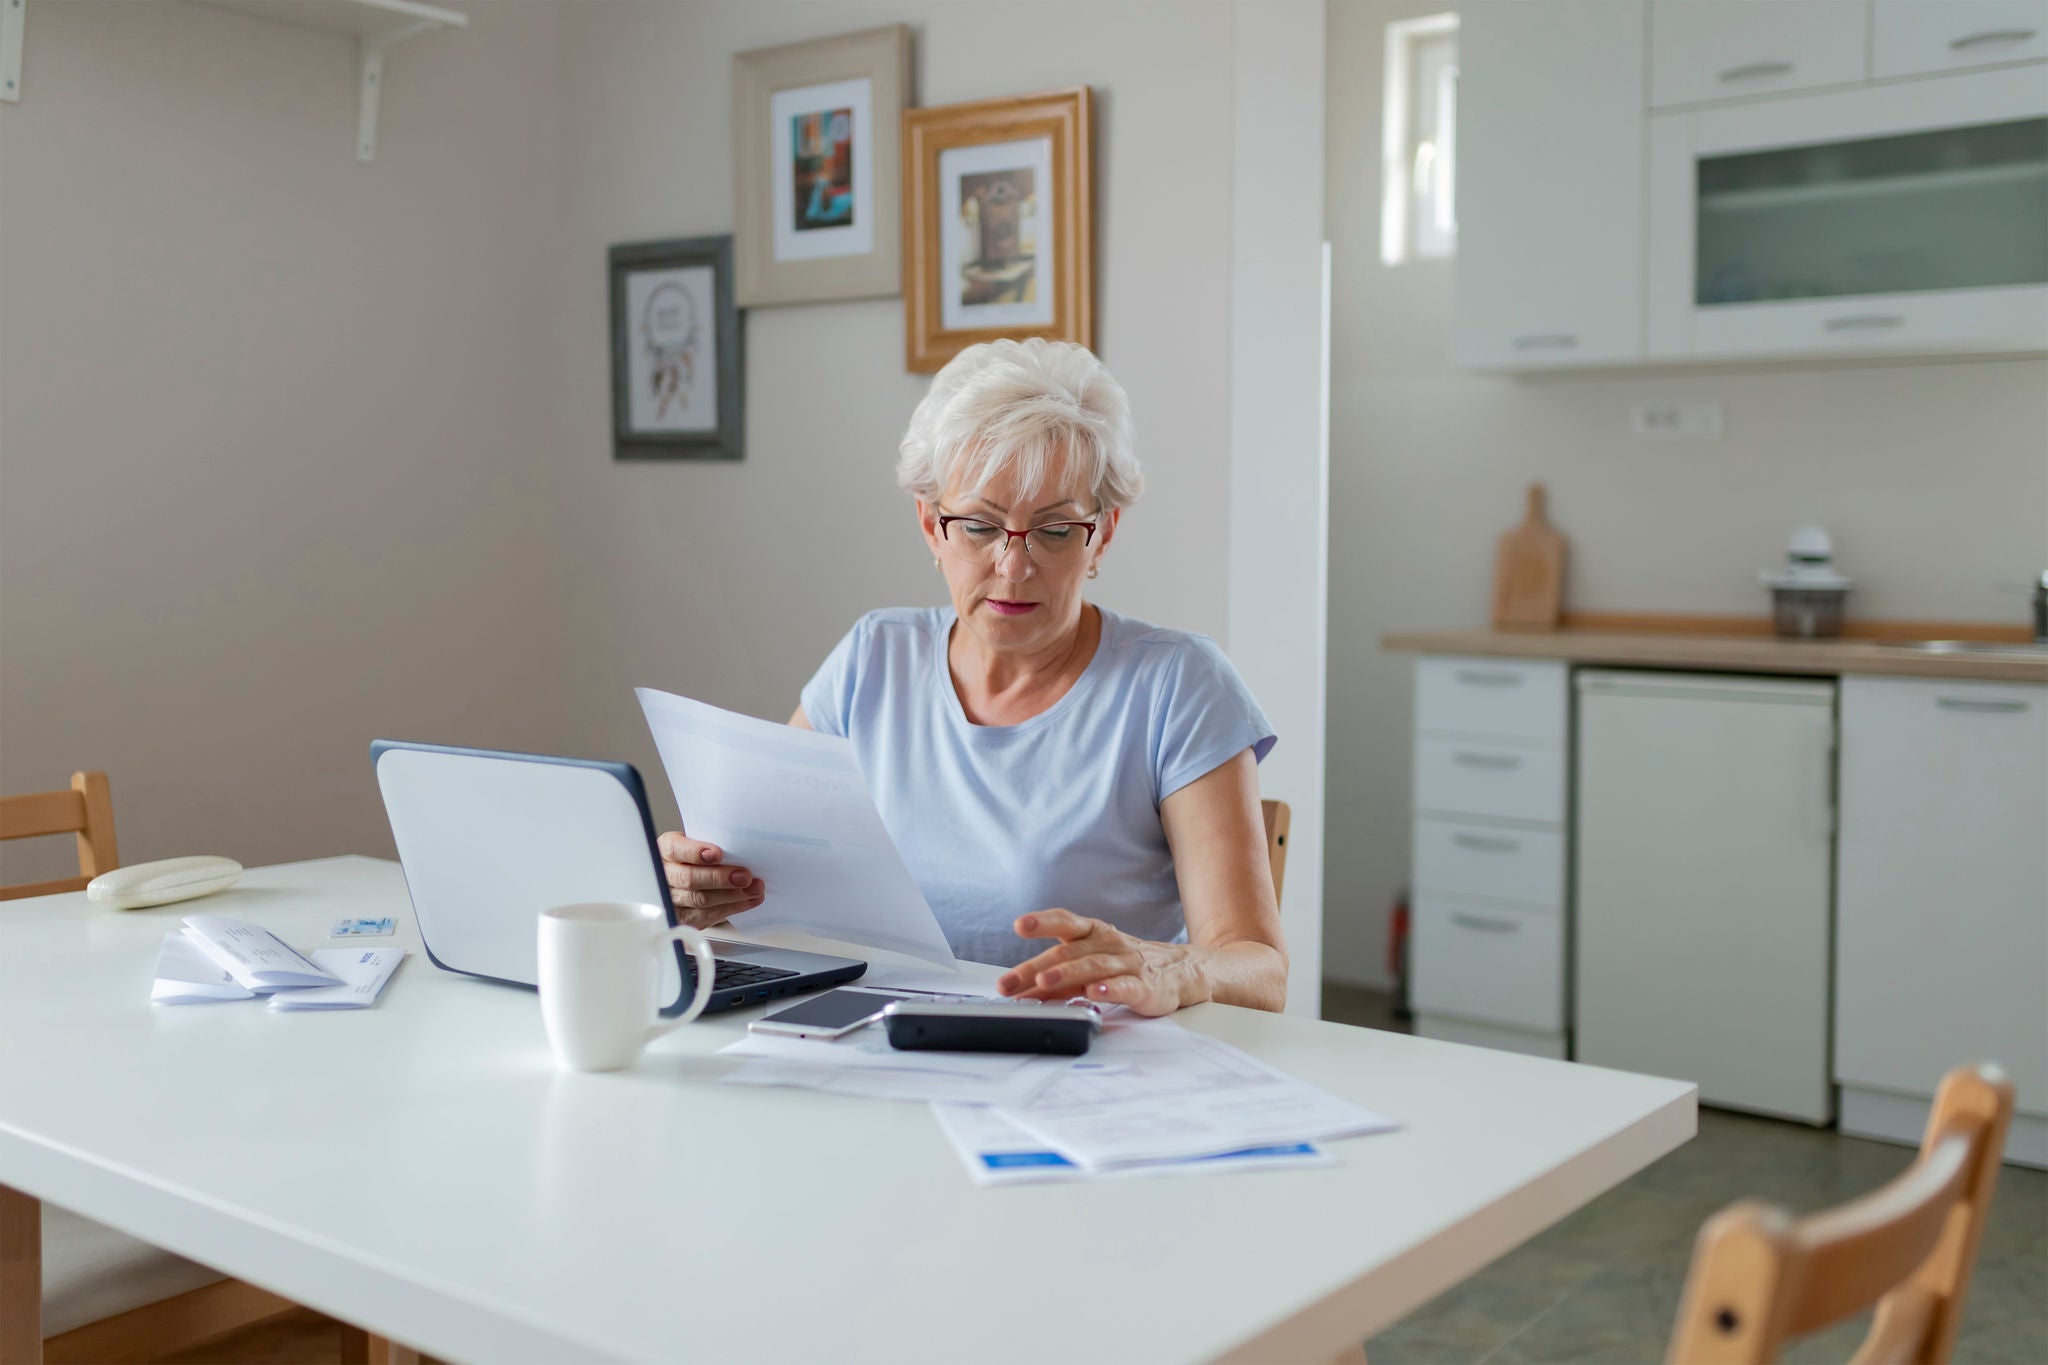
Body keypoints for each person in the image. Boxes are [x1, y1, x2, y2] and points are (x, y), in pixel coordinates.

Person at [658, 339, 1286, 1016]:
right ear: (932, 525)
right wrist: (696, 882)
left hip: (1083, 1068)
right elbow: (756, 867)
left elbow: (1260, 967)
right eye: (981, 526)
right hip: (881, 1046)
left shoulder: (1179, 685)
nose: (1013, 567)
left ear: (1101, 534)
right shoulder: (873, 658)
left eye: (1054, 531)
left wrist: (1179, 968)